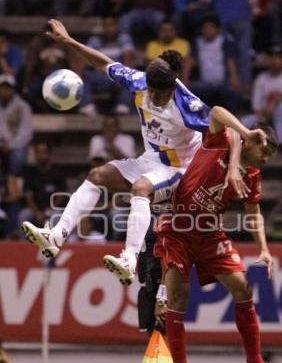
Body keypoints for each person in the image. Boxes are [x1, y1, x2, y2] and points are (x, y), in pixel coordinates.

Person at [21, 18, 213, 287]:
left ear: (172, 88)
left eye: (160, 96)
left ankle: (129, 259)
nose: (154, 99)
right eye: (152, 93)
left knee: (141, 189)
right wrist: (68, 41)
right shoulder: (140, 83)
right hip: (150, 160)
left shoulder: (188, 106)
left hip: (178, 169)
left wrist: (231, 159)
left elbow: (222, 126)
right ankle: (56, 235)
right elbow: (103, 63)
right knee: (97, 174)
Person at [154, 105, 282, 363]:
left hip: (210, 234)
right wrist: (245, 130)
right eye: (264, 153)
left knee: (242, 288)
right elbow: (216, 110)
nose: (264, 161)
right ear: (250, 141)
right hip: (178, 228)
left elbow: (253, 214)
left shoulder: (252, 175)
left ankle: (255, 362)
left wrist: (264, 248)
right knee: (178, 299)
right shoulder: (221, 140)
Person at [137, 211, 182, 363]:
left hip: (158, 289)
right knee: (158, 352)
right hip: (149, 287)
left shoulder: (164, 219)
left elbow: (168, 259)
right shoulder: (143, 217)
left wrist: (162, 297)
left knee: (163, 352)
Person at [242, 45, 282, 150]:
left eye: (278, 57)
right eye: (272, 57)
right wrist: (262, 115)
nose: (274, 60)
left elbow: (279, 97)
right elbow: (256, 104)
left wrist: (271, 106)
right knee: (244, 121)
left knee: (281, 107)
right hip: (264, 116)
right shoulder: (261, 78)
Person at [0, 74, 33, 175]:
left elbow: (26, 132)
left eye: (8, 88)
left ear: (13, 90)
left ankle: (11, 182)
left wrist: (11, 145)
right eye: (2, 88)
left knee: (18, 157)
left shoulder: (23, 107)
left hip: (16, 145)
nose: (4, 91)